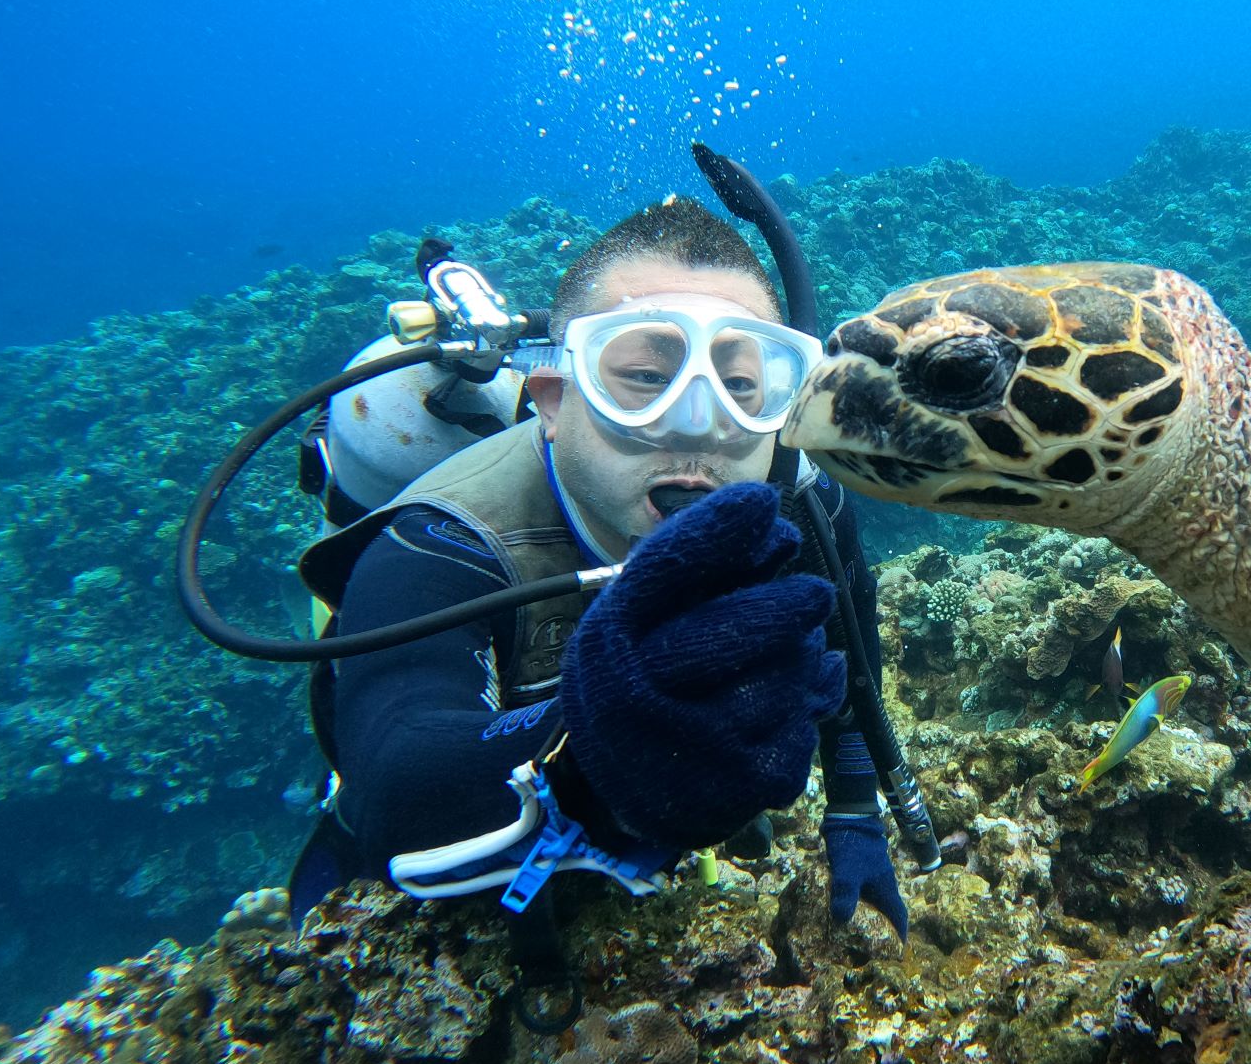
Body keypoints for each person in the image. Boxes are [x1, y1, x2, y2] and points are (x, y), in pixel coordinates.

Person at [290, 197, 907, 949]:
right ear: (553, 398)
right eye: (647, 374)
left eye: (742, 386)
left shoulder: (805, 504)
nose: (698, 423)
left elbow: (852, 660)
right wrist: (578, 747)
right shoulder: (445, 540)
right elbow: (395, 771)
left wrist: (853, 809)